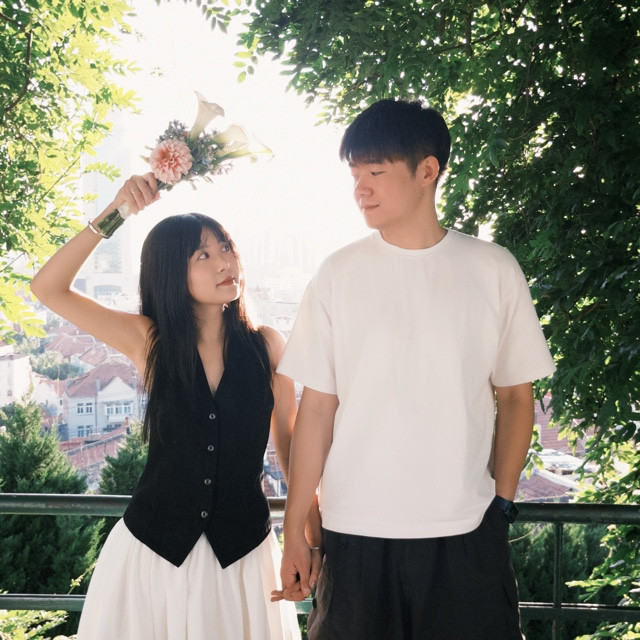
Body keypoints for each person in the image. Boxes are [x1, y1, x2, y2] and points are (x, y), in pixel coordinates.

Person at [273, 99, 556, 640]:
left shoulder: (493, 269)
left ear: (427, 171)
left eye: (375, 173)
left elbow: (516, 397)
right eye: (354, 175)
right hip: (354, 531)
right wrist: (294, 533)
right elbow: (317, 410)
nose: (360, 189)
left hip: (467, 531)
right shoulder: (337, 274)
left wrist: (502, 504)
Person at [30, 173, 302, 640]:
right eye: (203, 255)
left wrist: (302, 534)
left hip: (243, 558)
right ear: (172, 271)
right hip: (153, 557)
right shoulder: (149, 340)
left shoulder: (268, 346)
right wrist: (117, 211)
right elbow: (48, 288)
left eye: (226, 247)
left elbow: (292, 446)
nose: (225, 262)